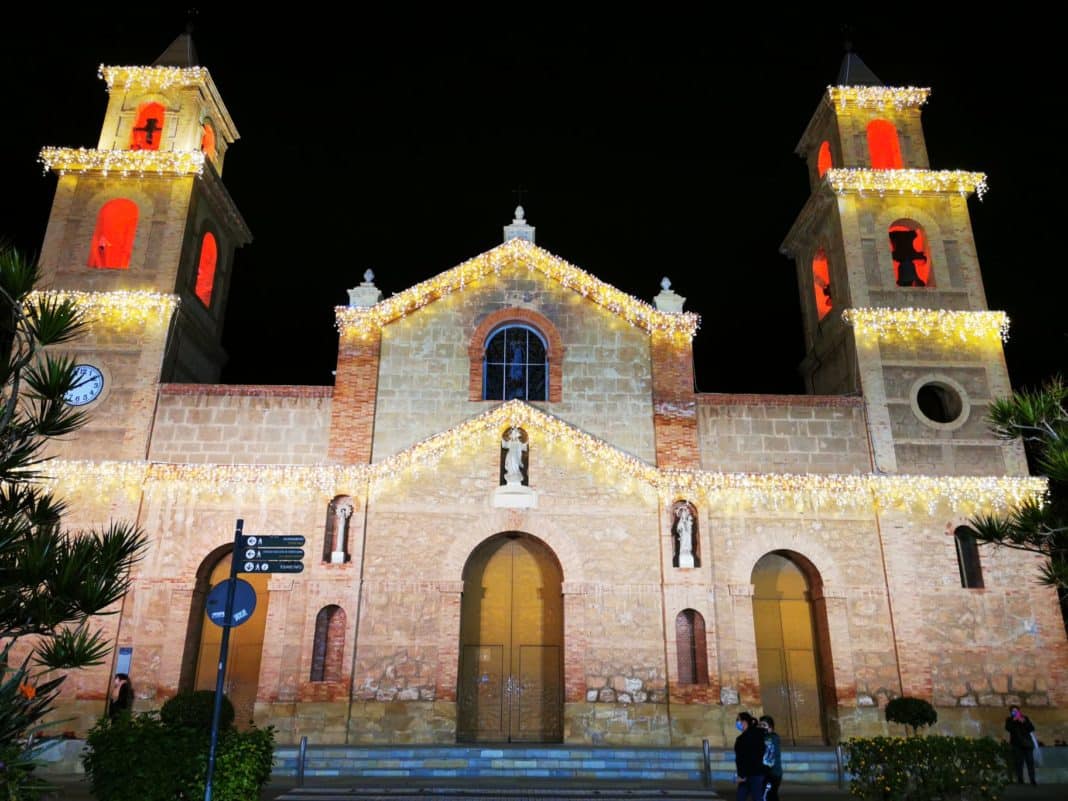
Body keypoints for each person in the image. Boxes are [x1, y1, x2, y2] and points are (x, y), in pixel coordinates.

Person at [733, 711, 767, 801]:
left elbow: (742, 758)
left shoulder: (742, 739)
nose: (737, 722)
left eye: (738, 720)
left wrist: (742, 775)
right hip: (758, 772)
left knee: (746, 797)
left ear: (744, 722)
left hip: (750, 774)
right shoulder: (760, 734)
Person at [1005, 704, 1037, 785]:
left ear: (1019, 711)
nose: (1015, 713)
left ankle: (1032, 779)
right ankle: (1020, 779)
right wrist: (1014, 720)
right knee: (1019, 762)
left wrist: (1024, 722)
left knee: (1030, 761)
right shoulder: (1009, 720)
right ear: (1011, 712)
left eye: (1016, 711)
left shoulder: (1025, 718)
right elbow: (1008, 728)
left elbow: (1031, 728)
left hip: (1027, 744)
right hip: (1016, 745)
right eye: (1013, 711)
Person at [759, 715, 783, 801]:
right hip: (773, 773)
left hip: (772, 773)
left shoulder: (770, 738)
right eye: (760, 725)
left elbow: (769, 758)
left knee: (768, 796)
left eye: (764, 725)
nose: (761, 727)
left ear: (770, 727)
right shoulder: (770, 737)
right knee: (772, 795)